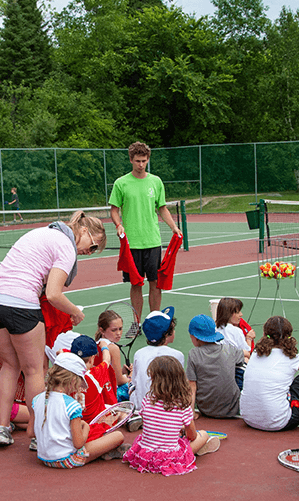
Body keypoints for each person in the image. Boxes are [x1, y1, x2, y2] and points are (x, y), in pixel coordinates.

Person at [0, 210, 106, 447]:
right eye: (93, 246)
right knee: (34, 370)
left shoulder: (43, 232)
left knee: (9, 364)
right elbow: (53, 294)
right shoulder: (66, 247)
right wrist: (74, 312)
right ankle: (38, 433)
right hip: (19, 303)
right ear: (84, 231)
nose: (88, 253)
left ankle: (2, 428)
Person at [110, 142, 181, 319]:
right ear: (131, 160)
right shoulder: (121, 183)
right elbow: (114, 209)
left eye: (144, 160)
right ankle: (136, 323)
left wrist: (174, 227)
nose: (141, 164)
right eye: (137, 161)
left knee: (155, 282)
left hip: (153, 241)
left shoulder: (156, 182)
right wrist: (118, 224)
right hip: (132, 243)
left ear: (148, 159)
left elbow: (162, 208)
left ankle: (154, 320)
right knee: (136, 284)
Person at [123, 355, 220, 476]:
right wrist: (182, 430)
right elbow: (192, 436)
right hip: (168, 459)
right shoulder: (182, 405)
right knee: (203, 435)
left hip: (145, 454)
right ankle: (200, 447)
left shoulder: (147, 399)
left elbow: (154, 423)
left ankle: (198, 448)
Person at [31, 353, 128, 467]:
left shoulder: (36, 399)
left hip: (44, 458)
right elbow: (78, 443)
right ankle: (103, 452)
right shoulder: (72, 405)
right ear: (73, 380)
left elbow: (30, 432)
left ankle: (104, 452)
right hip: (67, 460)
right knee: (118, 436)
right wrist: (85, 426)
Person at [240, 316, 299, 431]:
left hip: (248, 418)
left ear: (264, 333)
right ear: (289, 336)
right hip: (278, 422)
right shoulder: (292, 358)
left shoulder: (256, 353)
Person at [187, 314, 244, 418]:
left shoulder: (193, 354)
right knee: (241, 369)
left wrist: (191, 413)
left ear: (195, 338)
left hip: (206, 409)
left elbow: (192, 386)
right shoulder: (229, 349)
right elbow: (245, 357)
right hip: (232, 408)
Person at [130, 307, 184, 414]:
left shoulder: (138, 354)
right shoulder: (177, 355)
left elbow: (134, 383)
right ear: (167, 334)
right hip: (168, 408)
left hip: (141, 407)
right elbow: (180, 386)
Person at [95, 310, 132, 402]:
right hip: (111, 395)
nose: (118, 333)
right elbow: (119, 381)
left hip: (97, 394)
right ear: (102, 330)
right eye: (114, 330)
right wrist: (131, 376)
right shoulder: (113, 348)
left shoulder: (95, 344)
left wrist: (121, 372)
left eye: (120, 328)